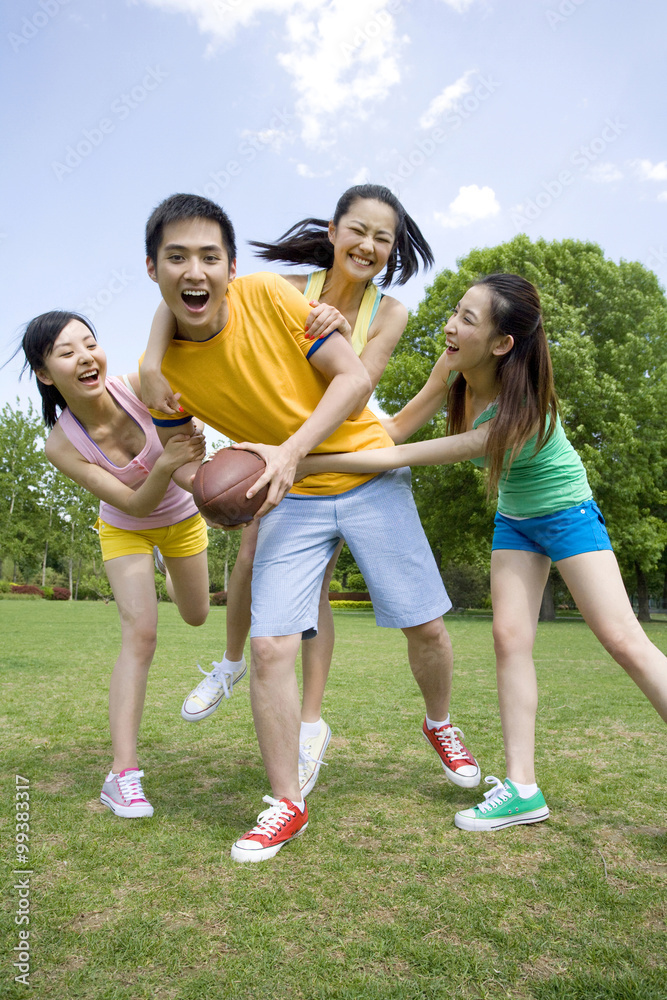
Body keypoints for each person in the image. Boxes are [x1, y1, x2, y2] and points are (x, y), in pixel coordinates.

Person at [140, 192, 480, 863]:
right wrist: (213, 492)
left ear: (231, 266)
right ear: (152, 269)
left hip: (365, 473)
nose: (194, 271)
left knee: (427, 628)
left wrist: (290, 452)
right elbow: (181, 458)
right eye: (175, 258)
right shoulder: (164, 374)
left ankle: (438, 724)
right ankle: (285, 803)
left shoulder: (272, 295)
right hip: (286, 495)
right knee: (271, 648)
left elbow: (353, 381)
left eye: (209, 257)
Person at [291, 272, 667, 831]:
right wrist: (305, 433)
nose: (450, 326)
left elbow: (400, 458)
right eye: (455, 311)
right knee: (509, 640)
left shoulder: (520, 415)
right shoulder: (453, 368)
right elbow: (393, 431)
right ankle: (522, 788)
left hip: (567, 514)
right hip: (515, 521)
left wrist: (299, 461)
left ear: (501, 343)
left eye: (468, 319)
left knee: (623, 640)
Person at [19, 311, 210, 818]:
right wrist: (166, 463)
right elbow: (133, 505)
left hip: (184, 517)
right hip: (126, 526)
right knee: (140, 634)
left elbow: (192, 455)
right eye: (66, 352)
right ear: (45, 373)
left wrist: (209, 488)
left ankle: (168, 574)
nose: (85, 357)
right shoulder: (60, 444)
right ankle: (121, 774)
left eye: (90, 343)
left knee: (196, 614)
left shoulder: (139, 386)